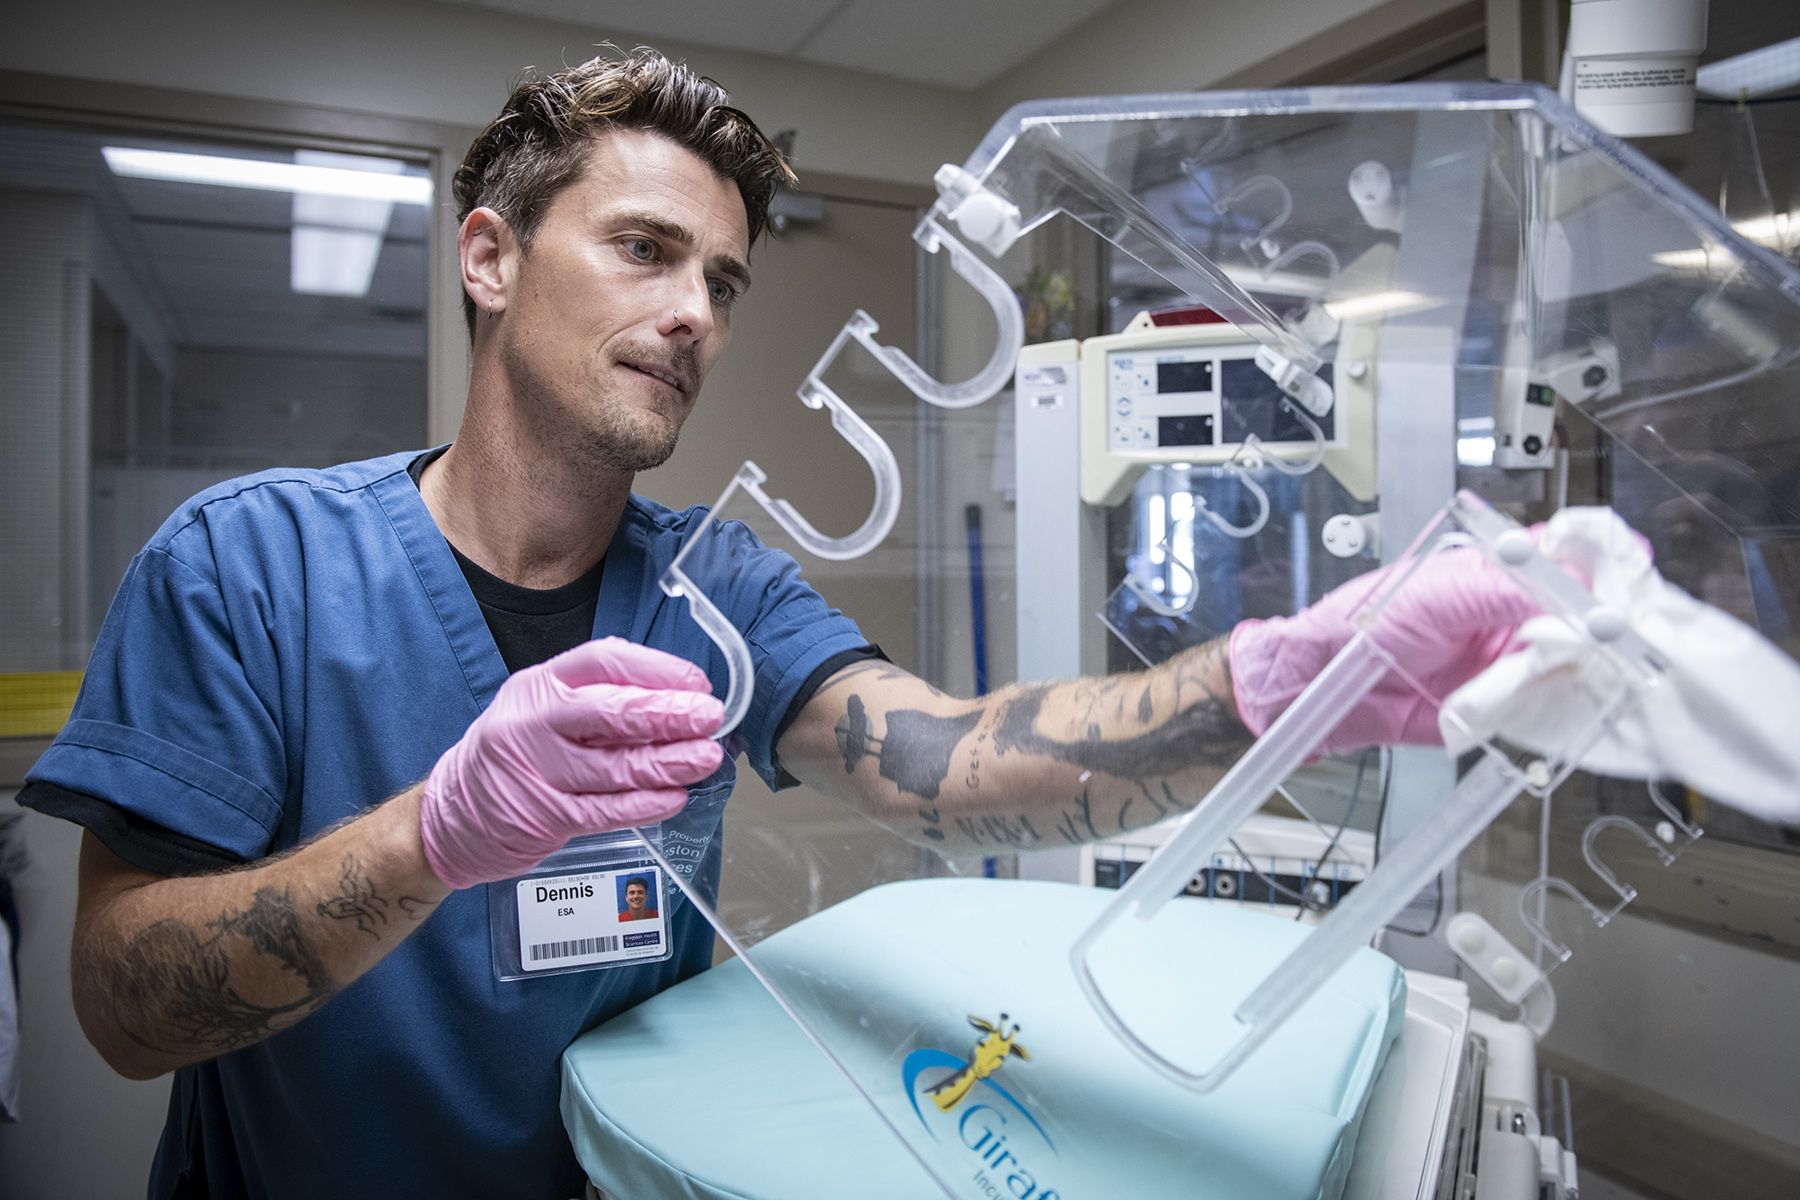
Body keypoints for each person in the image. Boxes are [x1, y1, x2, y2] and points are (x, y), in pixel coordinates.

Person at [16, 47, 1541, 1200]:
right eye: (644, 250)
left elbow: (936, 759)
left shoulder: (714, 591)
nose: (696, 313)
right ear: (490, 258)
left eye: (725, 280)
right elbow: (125, 1008)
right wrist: (438, 835)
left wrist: (1285, 681)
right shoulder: (250, 566)